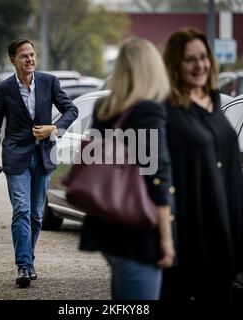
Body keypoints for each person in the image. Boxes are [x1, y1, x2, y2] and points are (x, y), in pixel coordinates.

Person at [160, 28, 243, 300]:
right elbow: (156, 174)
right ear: (174, 64)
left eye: (203, 57)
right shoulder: (165, 110)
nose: (199, 65)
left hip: (225, 228)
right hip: (187, 231)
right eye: (190, 59)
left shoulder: (214, 101)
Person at [79, 37, 175, 300]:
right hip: (138, 230)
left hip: (108, 224)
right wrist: (166, 239)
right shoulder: (147, 111)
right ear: (152, 69)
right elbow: (157, 175)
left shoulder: (105, 108)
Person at [0, 38, 78, 288]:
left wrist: (54, 128)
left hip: (43, 158)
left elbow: (72, 110)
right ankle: (24, 265)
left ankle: (29, 259)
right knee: (22, 211)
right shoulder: (4, 89)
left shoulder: (49, 82)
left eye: (32, 55)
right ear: (13, 60)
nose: (30, 59)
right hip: (16, 159)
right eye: (24, 56)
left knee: (37, 216)